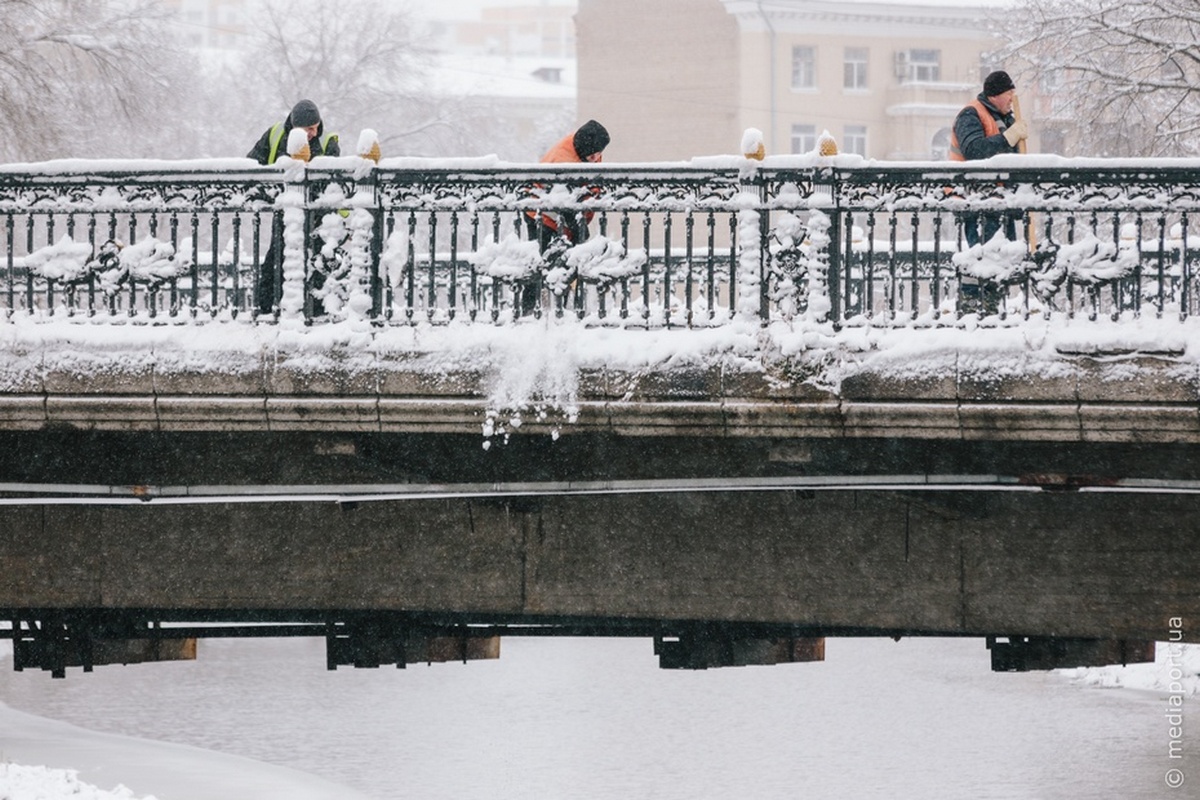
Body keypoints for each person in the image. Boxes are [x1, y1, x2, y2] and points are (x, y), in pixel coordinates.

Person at [247, 100, 341, 315]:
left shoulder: (328, 142)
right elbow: (253, 166)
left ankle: (315, 311)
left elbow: (333, 184)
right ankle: (268, 309)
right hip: (285, 211)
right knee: (277, 258)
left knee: (317, 261)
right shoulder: (274, 135)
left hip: (318, 215)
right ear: (294, 126)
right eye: (308, 129)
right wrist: (271, 195)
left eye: (316, 127)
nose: (314, 133)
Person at [949, 70, 1028, 313]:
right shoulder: (971, 114)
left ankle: (992, 307)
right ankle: (974, 307)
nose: (1012, 98)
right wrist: (1008, 137)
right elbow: (974, 150)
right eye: (1008, 93)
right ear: (994, 95)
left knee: (1000, 258)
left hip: (1000, 200)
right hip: (975, 199)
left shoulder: (1006, 118)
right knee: (981, 255)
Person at [521, 119, 610, 314]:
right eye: (593, 155)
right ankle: (528, 310)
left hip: (563, 214)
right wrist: (579, 229)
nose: (596, 158)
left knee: (567, 263)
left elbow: (590, 179)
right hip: (541, 214)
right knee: (541, 263)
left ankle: (565, 308)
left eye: (599, 154)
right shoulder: (564, 162)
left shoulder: (586, 149)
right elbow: (561, 201)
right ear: (584, 149)